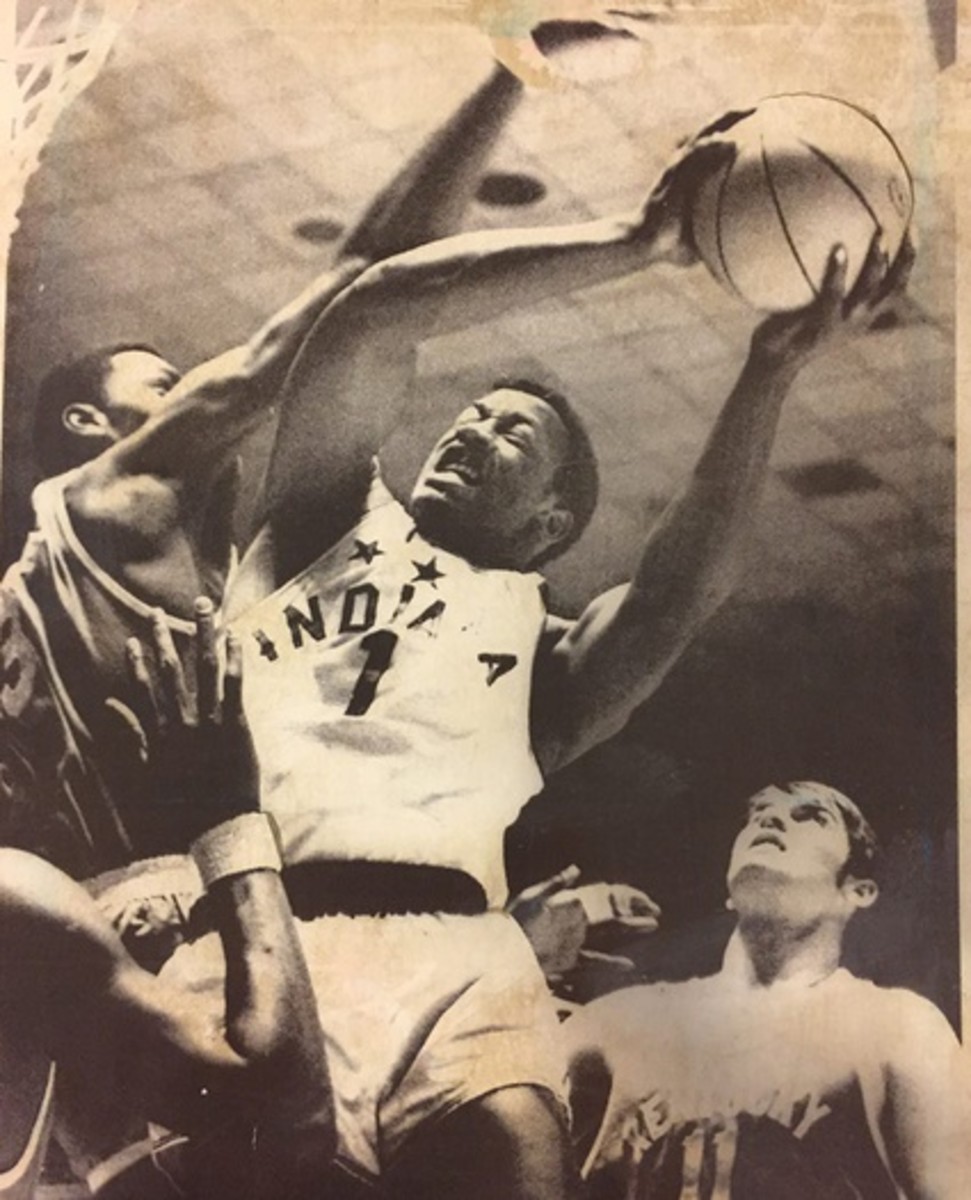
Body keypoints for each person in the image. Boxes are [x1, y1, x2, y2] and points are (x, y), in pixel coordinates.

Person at [211, 101, 915, 1197]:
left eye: (507, 436)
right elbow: (369, 316)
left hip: (458, 947)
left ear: (548, 526)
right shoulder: (319, 525)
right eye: (469, 416)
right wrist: (633, 245)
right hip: (270, 925)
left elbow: (682, 590)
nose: (466, 431)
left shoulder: (545, 655)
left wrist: (768, 371)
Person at [1, 56, 529, 871]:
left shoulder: (197, 585)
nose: (197, 405)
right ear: (87, 422)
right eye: (169, 389)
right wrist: (509, 72)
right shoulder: (104, 504)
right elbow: (360, 286)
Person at [0, 599, 335, 1200]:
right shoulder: (13, 900)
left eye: (9, 649)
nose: (21, 695)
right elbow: (290, 1122)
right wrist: (229, 821)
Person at [563, 782, 969, 1200]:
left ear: (857, 891)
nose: (770, 819)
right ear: (729, 894)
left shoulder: (900, 1028)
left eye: (810, 816)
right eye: (758, 813)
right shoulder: (612, 1023)